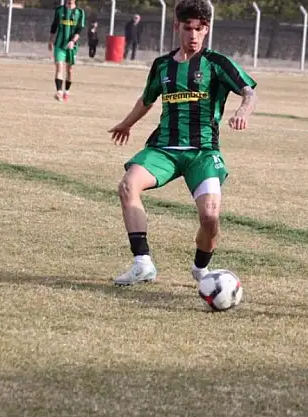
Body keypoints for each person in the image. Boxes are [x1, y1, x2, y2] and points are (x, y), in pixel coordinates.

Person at [108, 0, 258, 286]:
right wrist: (127, 124)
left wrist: (242, 111)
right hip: (164, 149)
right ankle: (142, 264)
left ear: (207, 29)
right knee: (128, 186)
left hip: (203, 152)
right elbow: (147, 99)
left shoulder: (216, 63)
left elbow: (249, 92)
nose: (193, 35)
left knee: (210, 217)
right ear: (176, 26)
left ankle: (201, 270)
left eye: (199, 29)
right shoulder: (162, 65)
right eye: (188, 28)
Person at [48, 0, 85, 102]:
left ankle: (66, 92)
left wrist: (72, 41)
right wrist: (50, 40)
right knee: (59, 67)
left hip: (72, 47)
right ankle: (59, 91)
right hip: (59, 45)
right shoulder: (59, 10)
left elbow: (79, 30)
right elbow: (54, 26)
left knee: (69, 70)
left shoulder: (80, 12)